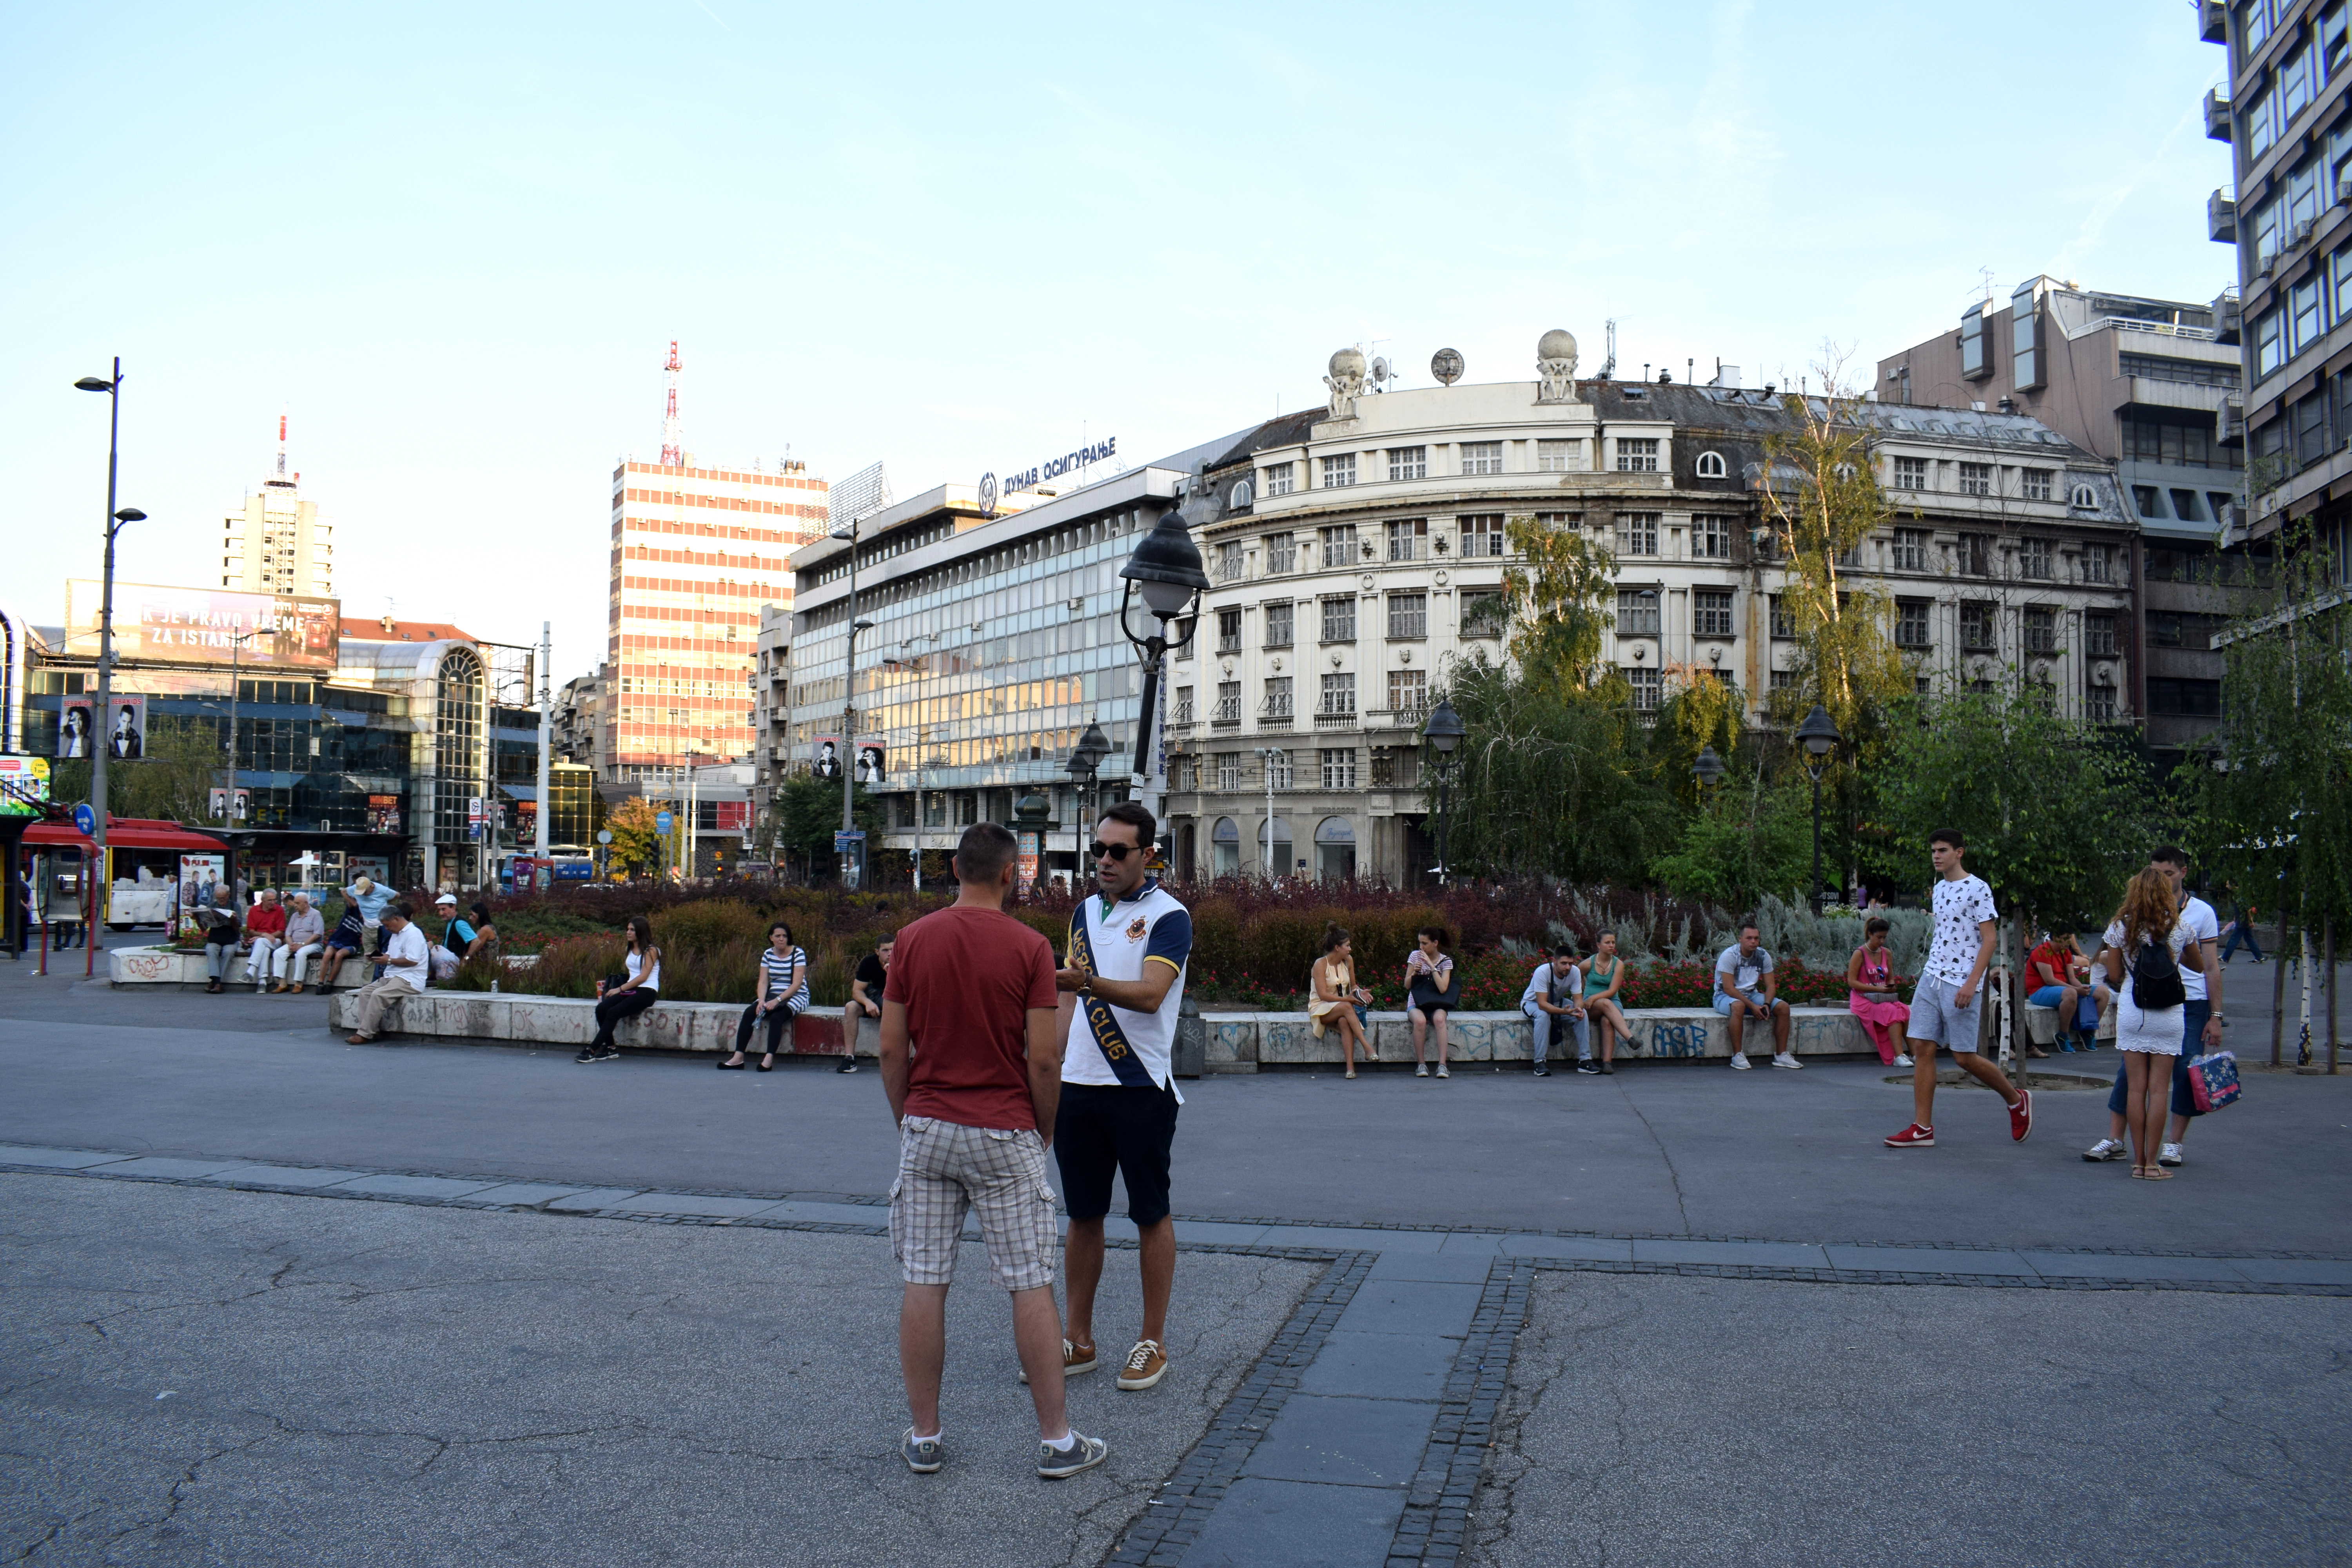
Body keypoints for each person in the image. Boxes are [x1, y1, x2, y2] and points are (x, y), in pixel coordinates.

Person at [881, 820, 1106, 1480]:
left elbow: (893, 1048)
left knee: (925, 1279)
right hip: (1006, 1129)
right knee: (1030, 1283)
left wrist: (909, 1118)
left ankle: (925, 1437)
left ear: (955, 867)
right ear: (1012, 874)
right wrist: (1043, 1129)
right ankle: (1058, 1443)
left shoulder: (912, 942)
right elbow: (1045, 1056)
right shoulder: (1032, 948)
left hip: (929, 1126)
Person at [1052, 800, 1191, 1400]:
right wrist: (1048, 1068)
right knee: (1082, 1214)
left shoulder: (1170, 916)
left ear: (1148, 855)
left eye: (1118, 852)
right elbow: (1064, 1002)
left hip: (1139, 1086)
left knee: (1149, 1213)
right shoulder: (1083, 912)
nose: (1104, 862)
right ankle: (1078, 1339)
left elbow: (1152, 994)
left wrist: (1086, 983)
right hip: (1078, 1084)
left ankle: (1151, 1340)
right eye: (1098, 851)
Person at [1884, 828, 2032, 1149]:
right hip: (1931, 978)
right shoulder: (1939, 888)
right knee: (1921, 1046)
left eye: (1942, 850)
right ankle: (1922, 1128)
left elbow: (1989, 939)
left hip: (1960, 982)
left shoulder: (1977, 888)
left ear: (1959, 853)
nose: (1936, 856)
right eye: (1933, 851)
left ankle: (2016, 1099)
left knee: (1964, 1058)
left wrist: (1971, 983)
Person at [2085, 847, 2227, 1169]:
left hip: (2136, 1010)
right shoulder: (2181, 927)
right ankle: (2153, 1162)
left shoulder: (2122, 926)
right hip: (2173, 1009)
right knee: (2161, 1090)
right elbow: (2199, 965)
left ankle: (2136, 1161)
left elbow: (2116, 975)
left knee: (2136, 1089)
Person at [722, 920, 807, 1071]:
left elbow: (797, 984)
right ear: (771, 938)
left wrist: (778, 1001)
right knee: (750, 1012)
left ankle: (768, 1060)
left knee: (777, 1017)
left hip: (796, 994)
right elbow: (763, 981)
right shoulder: (768, 954)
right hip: (772, 993)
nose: (782, 939)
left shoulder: (798, 953)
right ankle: (738, 1058)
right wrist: (761, 1000)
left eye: (784, 936)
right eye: (778, 936)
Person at [577, 915, 661, 1064]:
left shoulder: (651, 950)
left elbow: (643, 977)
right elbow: (633, 975)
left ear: (641, 932)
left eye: (632, 930)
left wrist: (619, 989)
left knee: (613, 1013)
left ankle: (591, 1050)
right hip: (631, 989)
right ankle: (610, 1048)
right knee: (602, 1009)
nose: (628, 932)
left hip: (647, 991)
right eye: (627, 929)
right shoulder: (630, 949)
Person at [1715, 921, 1797, 1069]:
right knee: (1739, 1006)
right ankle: (1737, 1056)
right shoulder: (1729, 956)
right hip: (1724, 997)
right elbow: (1728, 988)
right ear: (1740, 939)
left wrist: (1766, 1004)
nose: (1753, 942)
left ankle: (1781, 1055)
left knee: (1783, 1008)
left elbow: (1770, 985)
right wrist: (1752, 1006)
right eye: (1749, 938)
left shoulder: (1763, 956)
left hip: (1752, 995)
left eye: (1756, 938)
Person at [344, 902, 427, 1043]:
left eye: (388, 925)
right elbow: (390, 956)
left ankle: (364, 1034)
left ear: (396, 919)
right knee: (365, 992)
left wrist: (388, 961)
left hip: (410, 979)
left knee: (379, 995)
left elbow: (413, 961)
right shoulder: (396, 935)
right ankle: (372, 1030)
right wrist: (377, 956)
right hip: (392, 975)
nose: (387, 929)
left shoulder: (413, 934)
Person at [1309, 926, 1376, 1077]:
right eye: (1348, 946)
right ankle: (1367, 1048)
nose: (1350, 949)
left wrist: (1360, 993)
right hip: (1320, 1008)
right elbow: (1323, 995)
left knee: (1345, 1022)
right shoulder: (1321, 964)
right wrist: (1348, 1000)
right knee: (1346, 1007)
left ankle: (1350, 1070)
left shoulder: (1348, 961)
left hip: (1340, 1007)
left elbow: (1353, 986)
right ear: (1337, 948)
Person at [1846, 917, 1913, 1067]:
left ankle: (1915, 1054)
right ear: (1870, 934)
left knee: (1906, 1010)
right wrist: (1877, 989)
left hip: (1882, 996)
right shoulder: (1860, 953)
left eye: (1885, 938)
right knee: (1892, 1012)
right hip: (1862, 999)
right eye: (1879, 937)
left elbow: (1890, 978)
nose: (1882, 941)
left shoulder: (1887, 953)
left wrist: (1891, 986)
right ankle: (1899, 1056)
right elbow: (1852, 982)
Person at [2025, 926, 2102, 1055]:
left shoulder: (2065, 952)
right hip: (2039, 991)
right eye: (2065, 939)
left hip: (2062, 989)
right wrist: (2076, 990)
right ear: (2055, 938)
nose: (2068, 942)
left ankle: (2088, 1032)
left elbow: (2072, 979)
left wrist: (2082, 987)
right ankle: (2063, 1036)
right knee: (2071, 993)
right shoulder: (2043, 951)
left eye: (2070, 938)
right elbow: (2049, 980)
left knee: (2102, 993)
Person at [1520, 943, 1586, 1079]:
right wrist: (1563, 1012)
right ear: (1554, 961)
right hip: (1532, 1003)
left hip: (1557, 1002)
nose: (1568, 967)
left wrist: (1579, 1010)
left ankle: (1585, 1061)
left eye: (1570, 963)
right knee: (1543, 1016)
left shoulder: (1575, 972)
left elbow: (1578, 999)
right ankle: (1539, 1062)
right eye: (1563, 963)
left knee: (1583, 1015)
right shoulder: (1543, 972)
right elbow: (1542, 1004)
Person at [1405, 926, 1461, 1078]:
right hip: (1417, 1002)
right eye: (1420, 943)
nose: (1421, 947)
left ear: (1435, 943)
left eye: (1425, 944)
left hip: (1438, 1002)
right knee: (1421, 1021)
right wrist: (1415, 973)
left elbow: (1443, 988)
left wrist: (1431, 966)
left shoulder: (1446, 961)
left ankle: (1442, 1065)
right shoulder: (1415, 956)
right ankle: (1421, 1064)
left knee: (1439, 1019)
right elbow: (1407, 985)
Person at [847, 931, 897, 1076]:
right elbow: (857, 991)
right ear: (877, 952)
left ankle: (904, 1061)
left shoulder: (903, 962)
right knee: (851, 1007)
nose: (890, 954)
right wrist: (867, 1002)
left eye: (893, 949)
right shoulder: (869, 962)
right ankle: (849, 1058)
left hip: (897, 1004)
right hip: (876, 1000)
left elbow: (909, 992)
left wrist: (892, 972)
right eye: (885, 950)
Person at [1582, 930, 1630, 1073]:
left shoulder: (1618, 964)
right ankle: (1629, 1038)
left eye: (1613, 942)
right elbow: (1575, 977)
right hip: (1592, 1006)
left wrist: (1594, 997)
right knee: (1604, 1003)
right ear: (1598, 945)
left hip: (1612, 1002)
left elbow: (1612, 991)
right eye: (1607, 943)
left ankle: (1607, 1063)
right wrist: (1584, 995)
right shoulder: (1587, 964)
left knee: (1608, 1020)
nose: (1611, 946)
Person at [272, 891, 326, 993]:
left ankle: (298, 983)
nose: (295, 906)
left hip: (312, 944)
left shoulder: (315, 914)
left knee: (301, 954)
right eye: (295, 903)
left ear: (306, 903)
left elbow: (317, 934)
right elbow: (288, 934)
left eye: (298, 903)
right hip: (295, 943)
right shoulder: (294, 916)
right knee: (278, 953)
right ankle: (282, 983)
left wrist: (302, 945)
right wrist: (290, 944)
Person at [243, 889, 288, 995]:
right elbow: (251, 931)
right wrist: (263, 935)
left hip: (276, 941)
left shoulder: (279, 910)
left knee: (261, 942)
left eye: (274, 900)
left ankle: (251, 970)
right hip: (262, 942)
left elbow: (281, 932)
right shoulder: (254, 910)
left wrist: (267, 937)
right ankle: (262, 983)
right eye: (270, 900)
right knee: (265, 949)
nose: (273, 903)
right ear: (263, 900)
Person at [317, 899, 368, 990]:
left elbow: (366, 936)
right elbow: (349, 899)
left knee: (339, 955)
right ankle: (320, 983)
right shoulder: (352, 910)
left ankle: (330, 982)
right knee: (327, 954)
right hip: (337, 939)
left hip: (352, 944)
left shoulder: (368, 920)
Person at [200, 887, 243, 994]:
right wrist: (197, 918)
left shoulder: (235, 906)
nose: (221, 901)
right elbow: (204, 928)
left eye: (223, 898)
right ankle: (217, 983)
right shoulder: (211, 906)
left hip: (231, 938)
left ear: (228, 896)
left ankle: (215, 982)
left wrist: (232, 919)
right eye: (218, 899)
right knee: (211, 949)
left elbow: (238, 928)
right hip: (215, 937)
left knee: (228, 952)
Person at [344, 875, 393, 956]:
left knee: (384, 954)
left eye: (365, 892)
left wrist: (385, 902)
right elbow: (344, 892)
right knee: (368, 957)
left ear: (371, 886)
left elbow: (397, 895)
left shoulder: (382, 890)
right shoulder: (354, 888)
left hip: (382, 928)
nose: (363, 894)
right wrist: (354, 903)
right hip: (367, 928)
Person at [2218, 886, 2265, 965]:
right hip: (2242, 920)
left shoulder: (2240, 895)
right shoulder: (2240, 894)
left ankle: (2226, 957)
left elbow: (2247, 910)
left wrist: (2250, 921)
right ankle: (2259, 957)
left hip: (2242, 921)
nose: (2227, 886)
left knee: (2234, 938)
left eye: (2228, 884)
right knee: (2249, 939)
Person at [434, 893, 479, 960]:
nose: (441, 913)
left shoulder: (459, 923)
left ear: (453, 908)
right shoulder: (450, 922)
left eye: (444, 909)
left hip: (457, 964)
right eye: (439, 910)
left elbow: (476, 941)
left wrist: (466, 959)